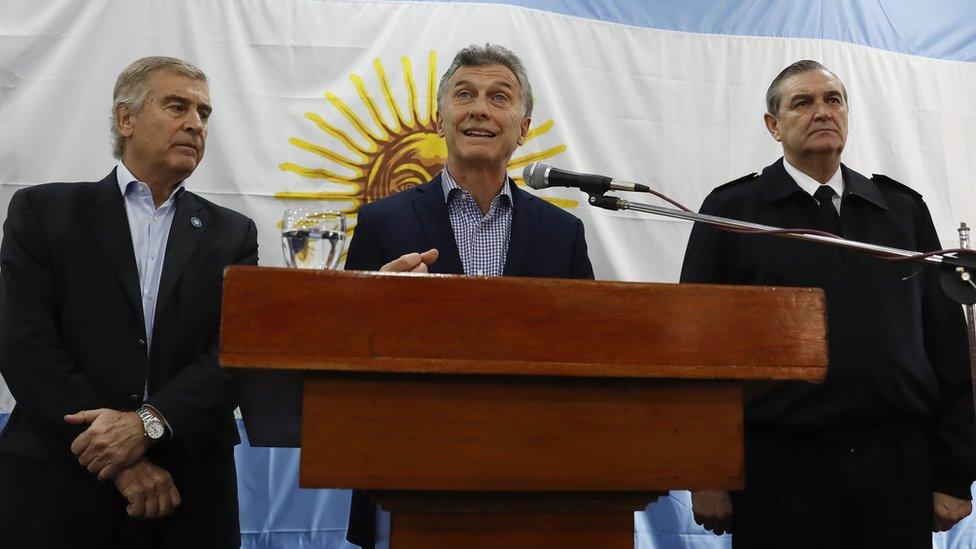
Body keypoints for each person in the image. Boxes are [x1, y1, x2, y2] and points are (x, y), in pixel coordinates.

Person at [680, 60, 976, 548]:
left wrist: (954, 471)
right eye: (803, 102)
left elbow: (947, 347)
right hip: (779, 469)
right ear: (773, 126)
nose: (822, 111)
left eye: (833, 99)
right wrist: (706, 471)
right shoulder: (732, 212)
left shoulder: (901, 211)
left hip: (896, 470)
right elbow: (698, 350)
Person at [0, 56, 258, 548]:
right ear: (126, 118)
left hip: (188, 487)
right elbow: (24, 345)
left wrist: (150, 425)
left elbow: (235, 353)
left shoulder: (232, 234)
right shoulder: (44, 213)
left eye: (204, 113)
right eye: (177, 106)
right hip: (57, 481)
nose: (195, 124)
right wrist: (122, 460)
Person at [343, 43, 594, 548]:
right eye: (464, 95)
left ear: (523, 129)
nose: (479, 108)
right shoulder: (381, 222)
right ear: (441, 120)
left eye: (499, 97)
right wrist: (373, 304)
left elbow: (586, 354)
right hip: (409, 470)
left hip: (530, 474)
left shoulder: (561, 232)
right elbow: (341, 345)